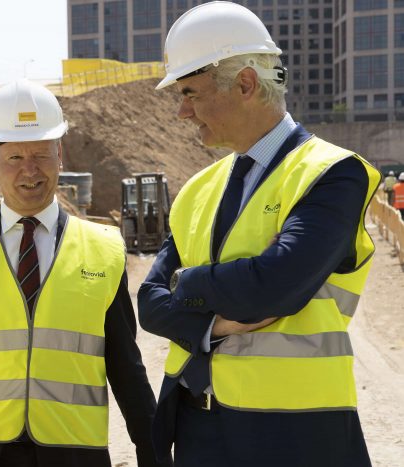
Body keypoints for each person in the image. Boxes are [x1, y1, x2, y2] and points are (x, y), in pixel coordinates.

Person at [137, 3, 381, 467]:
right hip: (196, 430)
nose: (181, 112)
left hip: (295, 435)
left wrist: (186, 284)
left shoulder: (332, 174)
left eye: (190, 92)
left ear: (246, 83)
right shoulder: (197, 190)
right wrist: (216, 322)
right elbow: (149, 303)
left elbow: (273, 288)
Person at [0, 79, 166, 467]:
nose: (30, 172)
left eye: (41, 155)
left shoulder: (103, 249)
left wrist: (152, 454)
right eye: (15, 158)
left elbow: (126, 365)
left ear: (60, 156)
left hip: (75, 453)